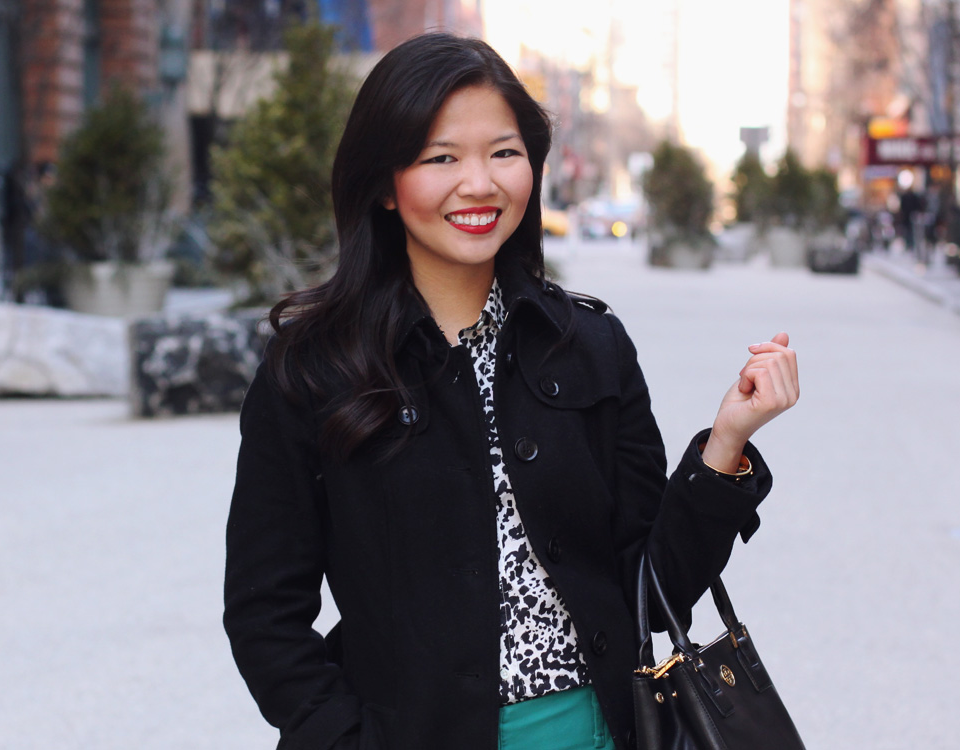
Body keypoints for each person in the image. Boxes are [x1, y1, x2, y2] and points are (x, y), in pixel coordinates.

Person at [223, 32, 800, 750]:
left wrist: (726, 445)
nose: (479, 184)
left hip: (598, 733)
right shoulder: (313, 367)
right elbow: (264, 615)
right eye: (441, 158)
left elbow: (652, 591)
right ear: (385, 184)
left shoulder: (590, 345)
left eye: (503, 152)